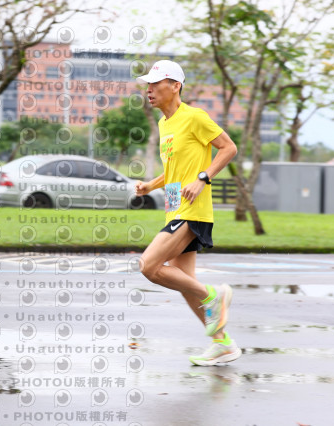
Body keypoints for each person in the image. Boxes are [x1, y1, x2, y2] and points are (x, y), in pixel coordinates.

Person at [134, 60, 240, 366]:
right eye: (148, 84)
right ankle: (223, 344)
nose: (149, 89)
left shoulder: (194, 117)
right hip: (174, 208)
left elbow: (228, 148)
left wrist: (203, 178)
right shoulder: (164, 124)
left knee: (149, 266)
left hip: (192, 209)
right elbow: (174, 170)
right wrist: (150, 185)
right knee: (183, 283)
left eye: (156, 83)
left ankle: (214, 296)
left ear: (175, 85)